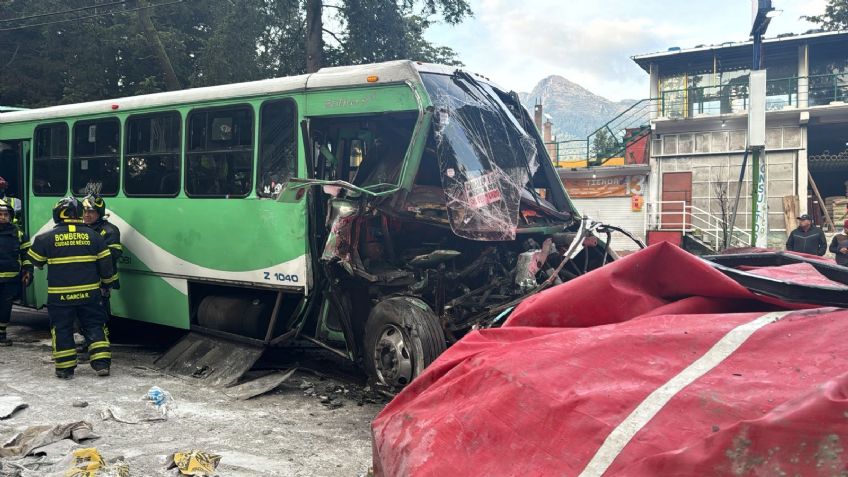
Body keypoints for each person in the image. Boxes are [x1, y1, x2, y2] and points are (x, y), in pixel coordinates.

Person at [27, 197, 116, 379]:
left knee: (62, 329)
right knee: (94, 326)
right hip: (90, 295)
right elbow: (107, 267)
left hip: (60, 298)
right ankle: (101, 364)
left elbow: (34, 261)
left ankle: (65, 369)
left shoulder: (45, 238)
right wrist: (107, 283)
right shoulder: (95, 237)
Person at [82, 194, 122, 314]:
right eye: (84, 211)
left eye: (91, 212)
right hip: (84, 280)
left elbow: (114, 253)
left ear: (99, 212)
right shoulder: (82, 229)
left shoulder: (110, 230)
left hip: (102, 281)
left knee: (100, 315)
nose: (86, 215)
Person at [0, 199, 32, 345]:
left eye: (5, 214)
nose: (3, 217)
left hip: (10, 279)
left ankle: (1, 335)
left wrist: (27, 271)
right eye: (0, 214)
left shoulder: (18, 233)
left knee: (5, 308)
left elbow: (26, 255)